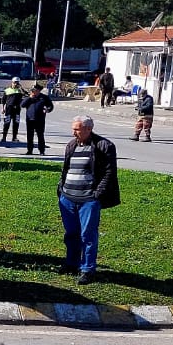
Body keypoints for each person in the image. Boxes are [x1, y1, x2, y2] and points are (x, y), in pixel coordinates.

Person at [58, 116, 119, 285]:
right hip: (68, 198)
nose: (73, 132)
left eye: (77, 129)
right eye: (73, 129)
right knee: (71, 234)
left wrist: (96, 194)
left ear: (88, 129)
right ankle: (71, 263)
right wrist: (61, 189)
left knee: (88, 235)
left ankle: (87, 269)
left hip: (88, 200)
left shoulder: (104, 146)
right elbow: (66, 169)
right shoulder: (72, 145)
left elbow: (109, 173)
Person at [22, 84, 55, 155]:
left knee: (40, 135)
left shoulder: (44, 97)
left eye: (35, 90)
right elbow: (22, 105)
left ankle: (41, 151)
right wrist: (29, 98)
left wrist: (48, 109)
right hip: (30, 119)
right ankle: (29, 150)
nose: (33, 92)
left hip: (40, 119)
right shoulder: (29, 97)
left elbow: (51, 106)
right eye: (32, 90)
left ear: (39, 91)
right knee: (30, 136)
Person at [0, 78, 24, 143]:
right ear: (12, 82)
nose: (15, 84)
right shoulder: (7, 90)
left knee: (16, 124)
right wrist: (3, 108)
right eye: (14, 82)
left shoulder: (19, 91)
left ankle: (14, 137)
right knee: (6, 123)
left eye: (17, 83)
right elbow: (3, 100)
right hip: (9, 109)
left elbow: (26, 94)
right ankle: (4, 137)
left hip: (17, 109)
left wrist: (21, 88)